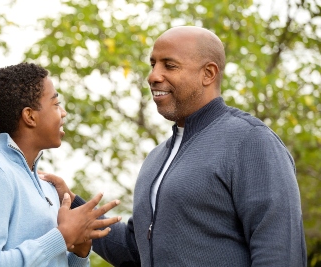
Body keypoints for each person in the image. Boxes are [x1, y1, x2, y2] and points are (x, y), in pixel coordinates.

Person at [43, 26, 307, 266]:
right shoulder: (156, 158)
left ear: (208, 73)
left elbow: (280, 252)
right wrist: (72, 203)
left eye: (169, 65)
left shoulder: (251, 142)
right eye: (153, 64)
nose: (153, 76)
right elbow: (137, 251)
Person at [0, 62, 121, 267]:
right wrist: (61, 237)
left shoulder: (46, 186)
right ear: (30, 116)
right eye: (56, 103)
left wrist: (79, 254)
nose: (63, 113)